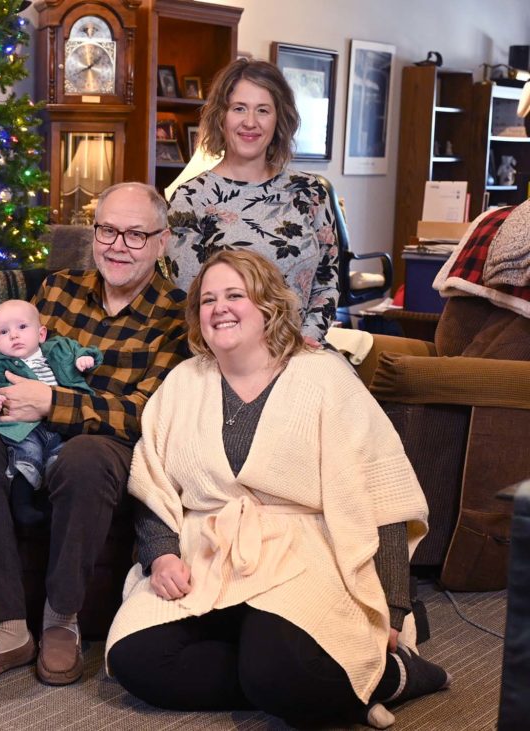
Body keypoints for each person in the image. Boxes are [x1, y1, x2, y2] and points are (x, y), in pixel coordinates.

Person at [106, 249, 450, 728]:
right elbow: (151, 484)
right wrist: (161, 555)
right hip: (207, 557)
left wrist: (393, 607)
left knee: (276, 674)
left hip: (304, 557)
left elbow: (382, 495)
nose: (219, 309)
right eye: (208, 300)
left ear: (268, 305)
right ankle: (327, 674)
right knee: (134, 659)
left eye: (235, 295)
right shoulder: (183, 383)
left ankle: (392, 674)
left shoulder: (325, 377)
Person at [0, 181, 190, 689]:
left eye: (135, 235)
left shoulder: (176, 314)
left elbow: (147, 413)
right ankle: (7, 626)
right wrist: (5, 397)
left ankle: (61, 620)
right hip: (27, 429)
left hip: (106, 449)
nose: (117, 246)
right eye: (107, 230)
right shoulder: (58, 289)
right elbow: (16, 359)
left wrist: (54, 403)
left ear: (162, 241)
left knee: (85, 455)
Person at [167, 58, 339, 344]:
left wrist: (305, 341)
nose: (250, 122)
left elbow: (327, 282)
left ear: (279, 119)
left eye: (263, 110)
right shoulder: (190, 198)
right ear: (221, 117)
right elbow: (193, 301)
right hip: (228, 353)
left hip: (303, 349)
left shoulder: (310, 191)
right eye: (239, 108)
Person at [0, 298, 102, 527]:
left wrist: (85, 357)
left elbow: (81, 351)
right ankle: (21, 506)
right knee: (28, 455)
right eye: (4, 332)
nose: (14, 335)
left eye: (22, 327)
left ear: (41, 334)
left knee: (63, 458)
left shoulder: (59, 349)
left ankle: (53, 506)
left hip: (61, 424)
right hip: (22, 428)